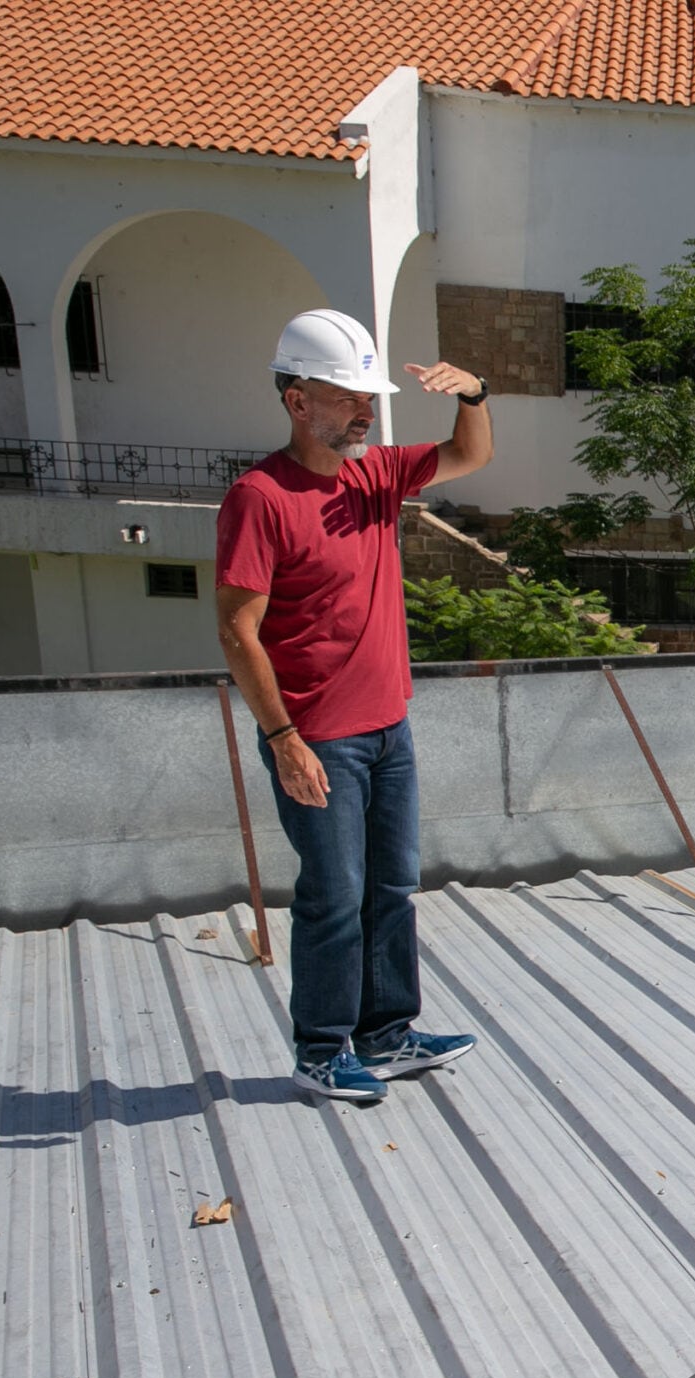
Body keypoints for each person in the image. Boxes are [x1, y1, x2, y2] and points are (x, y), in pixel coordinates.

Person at [214, 309, 494, 1104]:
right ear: (299, 401)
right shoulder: (260, 497)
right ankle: (320, 1047)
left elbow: (471, 451)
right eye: (349, 398)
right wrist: (283, 739)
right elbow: (238, 628)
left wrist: (473, 390)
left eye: (370, 398)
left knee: (390, 887)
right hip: (318, 739)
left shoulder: (376, 474)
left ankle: (387, 1033)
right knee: (332, 896)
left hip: (388, 728)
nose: (368, 412)